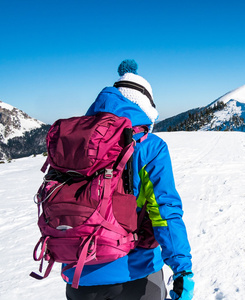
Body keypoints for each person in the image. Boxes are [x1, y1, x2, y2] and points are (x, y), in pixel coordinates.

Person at [63, 59, 194, 300]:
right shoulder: (150, 147)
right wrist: (182, 268)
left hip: (79, 274)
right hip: (135, 274)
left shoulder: (75, 142)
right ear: (145, 107)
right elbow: (164, 211)